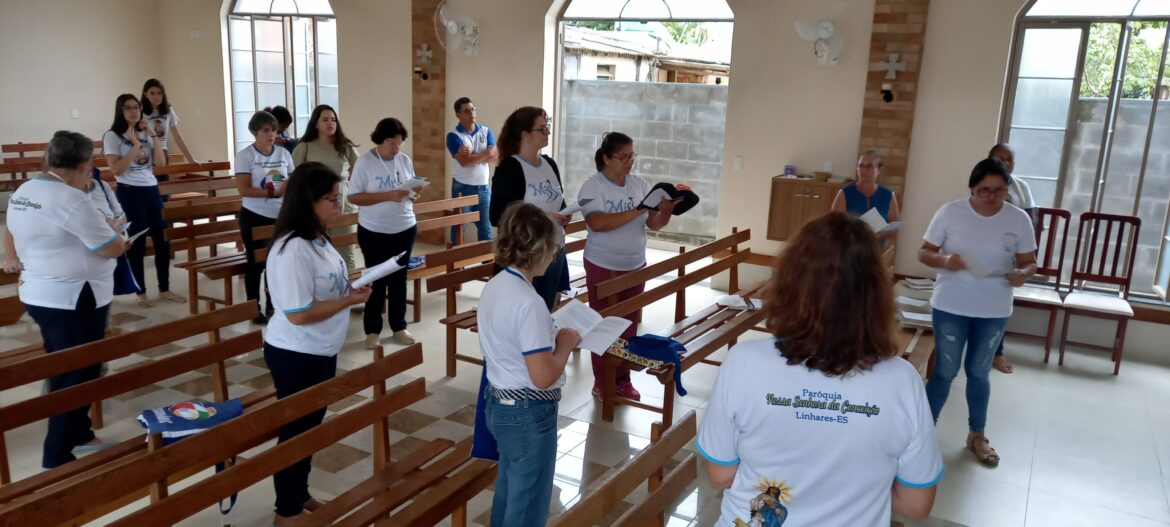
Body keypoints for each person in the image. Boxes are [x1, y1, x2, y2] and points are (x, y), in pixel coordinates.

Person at [698, 213, 943, 526]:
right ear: (875, 295)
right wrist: (856, 495)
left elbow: (720, 476)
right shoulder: (903, 380)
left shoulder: (743, 362)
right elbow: (916, 504)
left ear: (789, 283)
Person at [6, 131, 130, 469]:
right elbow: (112, 247)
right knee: (71, 375)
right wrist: (120, 238)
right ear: (84, 164)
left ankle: (80, 433)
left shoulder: (26, 189)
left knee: (80, 367)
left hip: (41, 293)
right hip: (73, 298)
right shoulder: (71, 199)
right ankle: (56, 456)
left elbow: (19, 231)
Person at [263, 162, 371, 525]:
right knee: (295, 433)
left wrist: (352, 286)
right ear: (308, 200)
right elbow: (298, 312)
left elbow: (328, 286)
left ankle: (299, 493)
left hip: (321, 348)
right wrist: (348, 301)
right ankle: (286, 511)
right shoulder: (293, 248)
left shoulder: (318, 237)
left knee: (310, 429)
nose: (338, 205)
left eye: (339, 197)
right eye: (331, 199)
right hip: (295, 352)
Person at [919, 158, 1037, 467]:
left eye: (998, 191)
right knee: (944, 372)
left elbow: (1029, 261)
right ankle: (922, 433)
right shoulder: (950, 212)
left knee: (979, 372)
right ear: (972, 188)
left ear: (1007, 190)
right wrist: (945, 261)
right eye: (983, 190)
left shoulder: (1018, 219)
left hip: (994, 307)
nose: (990, 197)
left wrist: (1023, 273)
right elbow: (924, 252)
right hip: (952, 305)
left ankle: (977, 434)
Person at [478, 201, 581, 527]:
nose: (554, 255)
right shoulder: (528, 302)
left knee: (510, 492)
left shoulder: (497, 285)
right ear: (537, 250)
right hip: (527, 413)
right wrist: (565, 344)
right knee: (528, 505)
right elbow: (543, 376)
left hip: (499, 404)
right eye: (553, 247)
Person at [577, 132, 675, 401]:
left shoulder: (639, 183)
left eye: (632, 155)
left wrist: (665, 209)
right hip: (602, 264)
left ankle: (623, 380)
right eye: (623, 157)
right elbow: (597, 223)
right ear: (607, 158)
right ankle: (602, 383)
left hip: (635, 264)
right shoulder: (592, 186)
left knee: (629, 327)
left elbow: (653, 224)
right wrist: (638, 209)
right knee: (604, 327)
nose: (630, 162)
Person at [102, 94, 186, 307]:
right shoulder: (112, 136)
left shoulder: (146, 132)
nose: (134, 111)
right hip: (129, 191)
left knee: (162, 240)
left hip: (151, 190)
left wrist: (153, 137)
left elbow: (159, 164)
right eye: (128, 108)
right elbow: (115, 169)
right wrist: (134, 145)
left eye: (136, 107)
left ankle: (164, 289)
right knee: (137, 243)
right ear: (120, 111)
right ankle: (140, 292)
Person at [348, 117, 423, 349]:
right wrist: (388, 195)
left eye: (400, 143)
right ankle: (372, 330)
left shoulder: (403, 160)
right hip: (374, 230)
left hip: (404, 227)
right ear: (381, 139)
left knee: (399, 279)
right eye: (392, 143)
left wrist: (414, 192)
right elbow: (354, 197)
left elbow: (407, 188)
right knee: (376, 278)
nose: (396, 148)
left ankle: (399, 326)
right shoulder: (365, 162)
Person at [488, 106, 568, 309]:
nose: (547, 132)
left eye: (547, 127)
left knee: (545, 314)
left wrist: (564, 214)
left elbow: (560, 202)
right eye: (542, 128)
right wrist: (545, 217)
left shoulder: (549, 164)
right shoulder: (510, 168)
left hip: (553, 250)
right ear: (525, 134)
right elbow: (497, 216)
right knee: (524, 315)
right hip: (525, 256)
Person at [234, 110, 296, 325]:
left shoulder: (283, 154)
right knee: (255, 262)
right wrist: (273, 193)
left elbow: (290, 181)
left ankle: (273, 304)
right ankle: (253, 307)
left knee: (276, 261)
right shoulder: (246, 155)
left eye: (274, 131)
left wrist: (285, 191)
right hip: (254, 214)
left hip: (280, 215)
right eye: (266, 131)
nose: (271, 135)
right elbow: (244, 189)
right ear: (255, 132)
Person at [987, 142, 1036, 374]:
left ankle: (996, 353)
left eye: (1009, 160)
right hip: (982, 255)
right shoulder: (982, 183)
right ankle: (977, 347)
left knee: (1000, 306)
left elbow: (1031, 221)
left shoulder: (1021, 187)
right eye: (999, 158)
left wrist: (1025, 260)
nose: (1004, 163)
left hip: (1009, 258)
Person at [293, 104, 359, 272]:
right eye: (325, 120)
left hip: (342, 202)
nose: (330, 123)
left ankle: (350, 293)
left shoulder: (345, 146)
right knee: (316, 250)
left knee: (346, 252)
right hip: (314, 202)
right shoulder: (305, 146)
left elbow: (360, 169)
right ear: (316, 123)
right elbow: (296, 177)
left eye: (333, 120)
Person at [446, 96, 497, 243]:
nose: (472, 113)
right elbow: (464, 162)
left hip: (484, 188)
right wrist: (486, 153)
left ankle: (486, 264)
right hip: (463, 189)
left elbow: (495, 157)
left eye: (473, 109)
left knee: (485, 227)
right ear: (458, 115)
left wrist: (474, 154)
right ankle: (456, 263)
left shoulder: (486, 131)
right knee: (459, 227)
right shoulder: (453, 136)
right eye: (467, 111)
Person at [831, 150, 901, 242]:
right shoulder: (845, 193)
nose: (864, 170)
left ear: (880, 170)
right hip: (849, 249)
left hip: (876, 249)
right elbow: (833, 225)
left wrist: (879, 235)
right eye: (861, 166)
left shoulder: (888, 195)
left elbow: (894, 227)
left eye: (869, 166)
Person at [141, 78, 198, 166]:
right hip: (146, 151)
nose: (156, 96)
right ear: (146, 94)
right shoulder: (140, 112)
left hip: (162, 150)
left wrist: (191, 160)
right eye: (152, 93)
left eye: (159, 93)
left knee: (164, 177)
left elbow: (177, 137)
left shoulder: (168, 110)